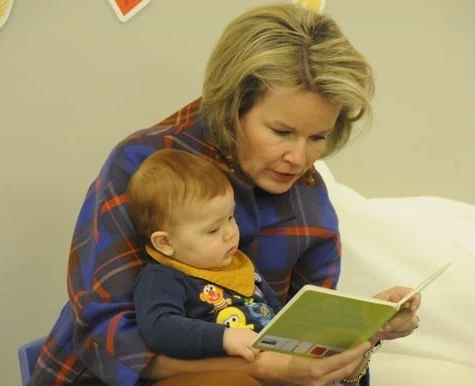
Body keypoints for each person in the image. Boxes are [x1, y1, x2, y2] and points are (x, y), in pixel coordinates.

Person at [31, 3, 422, 386]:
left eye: (317, 137)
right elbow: (110, 338)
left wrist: (365, 330)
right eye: (282, 132)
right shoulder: (144, 165)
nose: (300, 158)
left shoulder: (308, 195)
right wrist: (259, 369)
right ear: (231, 105)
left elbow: (303, 338)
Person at [127, 149, 282, 363]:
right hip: (221, 370)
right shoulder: (163, 277)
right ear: (165, 243)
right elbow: (159, 328)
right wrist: (224, 338)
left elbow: (277, 312)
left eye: (230, 217)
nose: (230, 233)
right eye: (212, 230)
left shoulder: (238, 263)